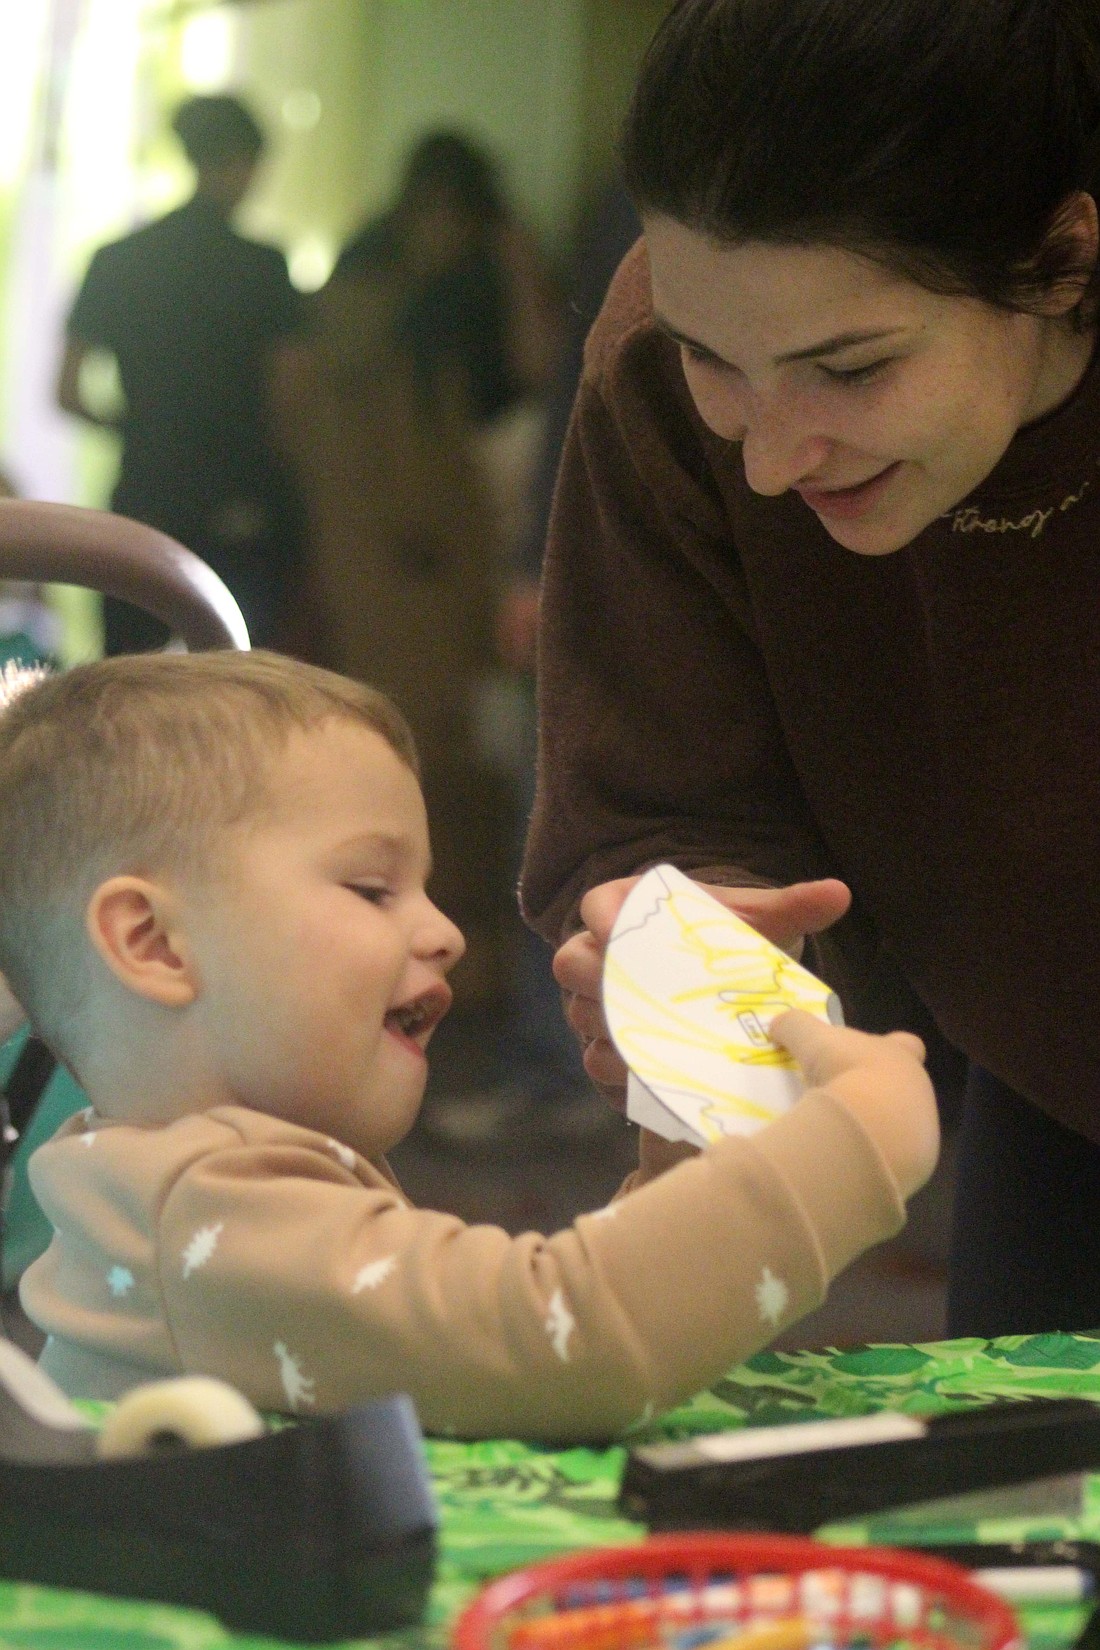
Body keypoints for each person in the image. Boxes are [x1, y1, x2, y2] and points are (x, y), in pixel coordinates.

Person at [521, 0, 1100, 1341]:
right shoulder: (663, 368)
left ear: (1064, 260)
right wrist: (688, 949)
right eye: (719, 360)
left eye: (851, 368)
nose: (772, 455)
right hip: (1051, 1077)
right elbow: (671, 799)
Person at [0, 650, 935, 1437]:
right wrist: (849, 1145)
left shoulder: (203, 1180)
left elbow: (495, 1342)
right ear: (153, 943)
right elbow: (557, 1345)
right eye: (372, 888)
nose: (444, 931)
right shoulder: (198, 1208)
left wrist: (691, 1146)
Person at [56, 95, 306, 653]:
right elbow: (289, 399)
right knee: (239, 688)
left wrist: (133, 426)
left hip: (145, 493)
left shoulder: (118, 259)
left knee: (124, 686)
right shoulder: (263, 268)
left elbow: (67, 391)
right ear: (244, 161)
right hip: (241, 500)